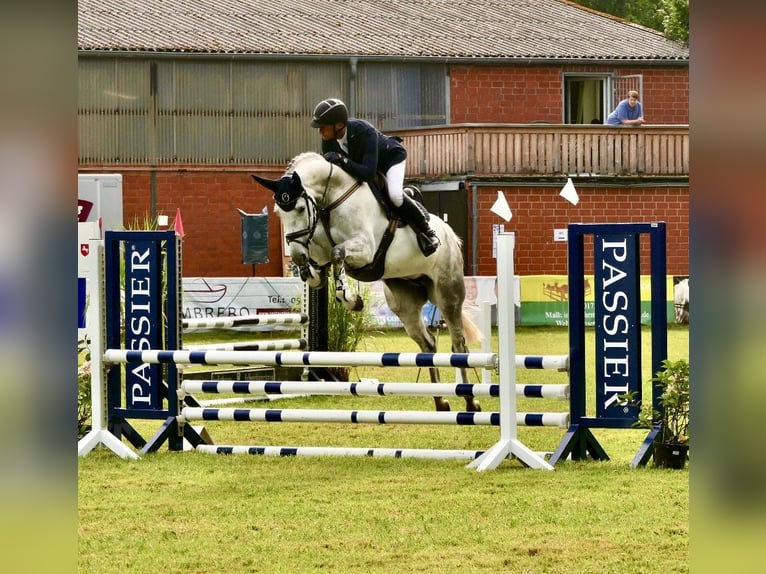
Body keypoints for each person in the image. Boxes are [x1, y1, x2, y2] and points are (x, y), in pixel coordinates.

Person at [310, 98, 440, 256]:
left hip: (390, 160)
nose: (320, 132)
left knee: (395, 196)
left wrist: (342, 160)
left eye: (323, 127)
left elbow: (368, 173)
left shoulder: (364, 131)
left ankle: (427, 232)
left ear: (338, 125)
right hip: (365, 166)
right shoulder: (328, 141)